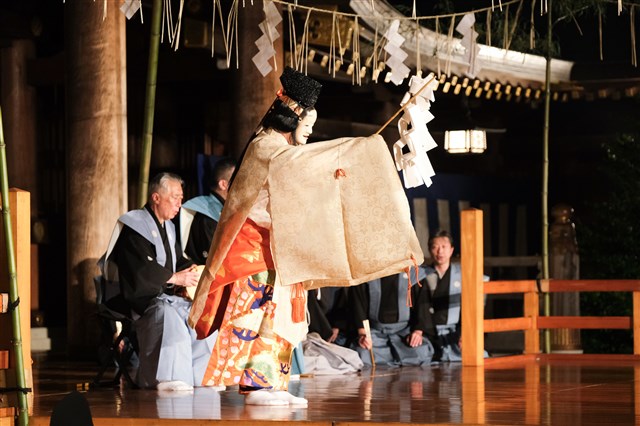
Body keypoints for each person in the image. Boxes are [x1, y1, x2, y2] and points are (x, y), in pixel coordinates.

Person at [188, 67, 424, 406]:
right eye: (308, 127)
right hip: (255, 249)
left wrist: (336, 171)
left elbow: (304, 172)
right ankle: (258, 387)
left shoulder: (277, 147)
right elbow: (301, 166)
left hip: (277, 249)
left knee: (280, 316)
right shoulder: (268, 147)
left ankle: (272, 385)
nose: (309, 135)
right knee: (260, 316)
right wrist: (356, 151)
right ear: (291, 117)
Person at [101, 172, 216, 390]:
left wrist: (190, 270)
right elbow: (140, 269)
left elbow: (175, 261)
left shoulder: (169, 227)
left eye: (181, 198)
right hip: (139, 298)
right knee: (168, 314)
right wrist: (175, 278)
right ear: (156, 198)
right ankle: (169, 378)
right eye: (175, 198)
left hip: (163, 294)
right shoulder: (134, 225)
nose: (179, 204)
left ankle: (202, 376)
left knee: (201, 312)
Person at [350, 267, 434, 366]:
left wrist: (417, 332)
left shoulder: (413, 273)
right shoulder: (366, 274)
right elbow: (358, 305)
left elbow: (422, 305)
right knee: (362, 353)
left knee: (421, 352)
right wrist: (363, 335)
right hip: (375, 334)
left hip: (404, 333)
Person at [180, 157, 236, 265]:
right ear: (223, 184)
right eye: (237, 181)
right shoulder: (206, 212)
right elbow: (213, 257)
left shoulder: (227, 209)